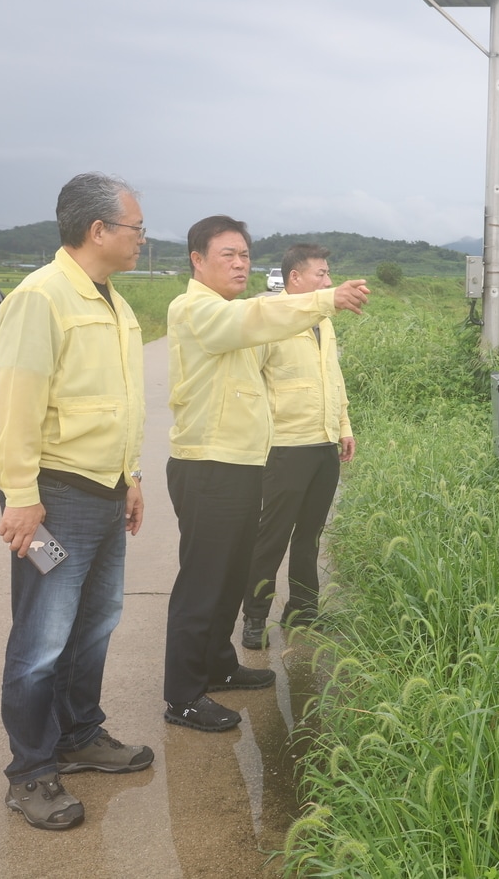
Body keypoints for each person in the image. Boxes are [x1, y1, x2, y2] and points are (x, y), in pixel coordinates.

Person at [163, 216, 369, 733]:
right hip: (207, 462)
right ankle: (183, 695)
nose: (239, 264)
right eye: (228, 254)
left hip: (242, 461)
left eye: (245, 256)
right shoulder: (195, 309)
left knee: (230, 574)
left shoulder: (234, 312)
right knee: (203, 582)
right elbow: (255, 320)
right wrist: (326, 299)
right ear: (197, 259)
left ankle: (218, 664)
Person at [0, 172, 151, 831]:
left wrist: (131, 476)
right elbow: (17, 403)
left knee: (96, 622)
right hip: (54, 499)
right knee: (42, 637)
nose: (143, 238)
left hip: (106, 492)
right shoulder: (42, 297)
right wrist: (21, 496)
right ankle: (30, 771)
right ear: (98, 230)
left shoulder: (112, 299)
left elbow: (115, 400)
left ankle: (80, 733)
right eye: (137, 227)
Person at [241, 244, 355, 649]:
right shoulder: (268, 317)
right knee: (270, 536)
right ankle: (254, 617)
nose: (328, 281)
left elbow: (332, 375)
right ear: (296, 278)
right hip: (285, 447)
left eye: (328, 274)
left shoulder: (324, 319)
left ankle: (303, 610)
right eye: (321, 274)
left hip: (324, 444)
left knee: (310, 534)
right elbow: (249, 382)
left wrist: (344, 425)